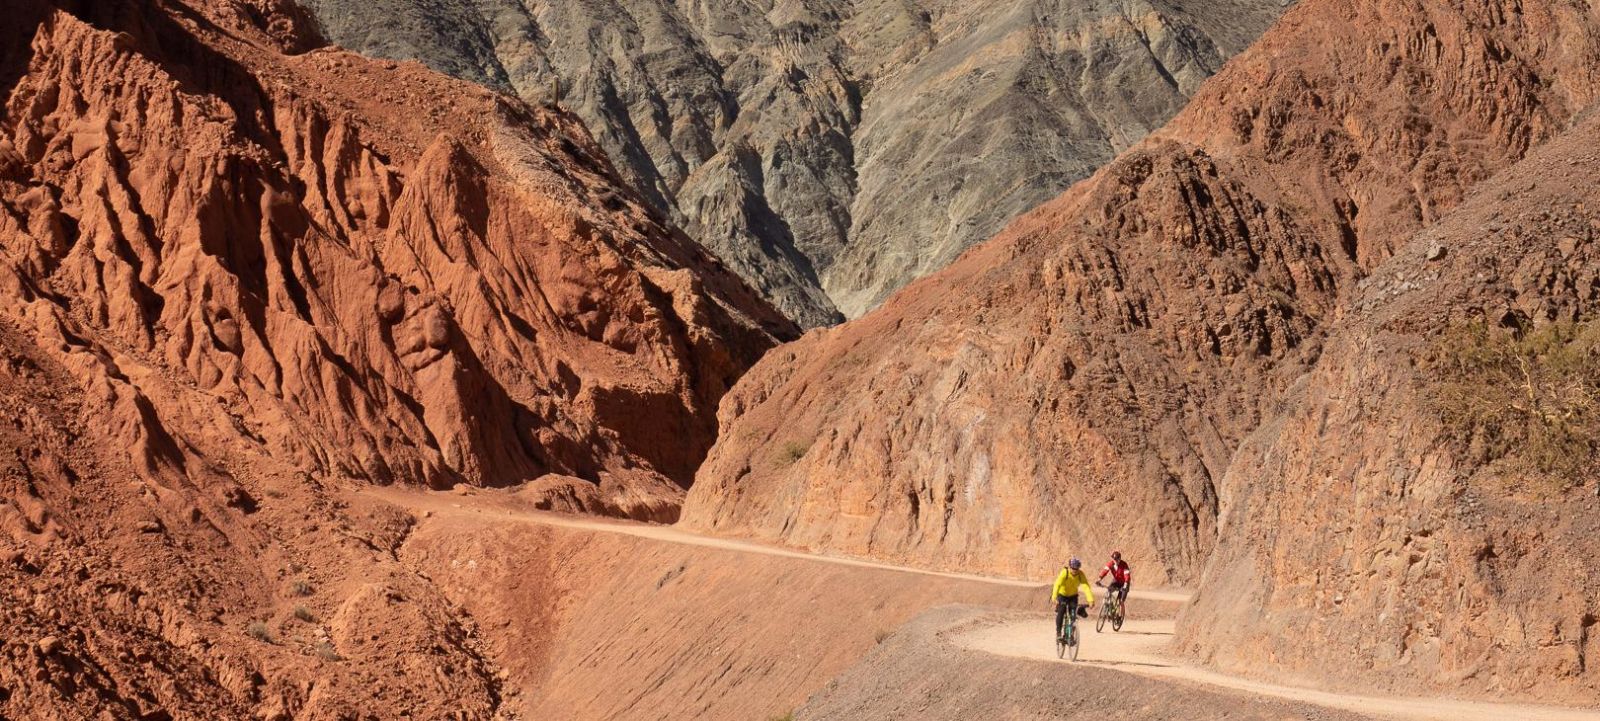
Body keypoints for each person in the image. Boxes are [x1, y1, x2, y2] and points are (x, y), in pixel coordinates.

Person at [1052, 558, 1095, 641]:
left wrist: (1090, 600)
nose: (1075, 570)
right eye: (1073, 568)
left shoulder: (1080, 574)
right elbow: (1057, 584)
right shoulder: (1065, 573)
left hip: (1073, 596)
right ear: (1070, 567)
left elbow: (1086, 587)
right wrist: (1054, 597)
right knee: (1061, 612)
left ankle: (1070, 634)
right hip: (1062, 595)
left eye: (1077, 569)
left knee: (1073, 616)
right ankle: (1058, 633)